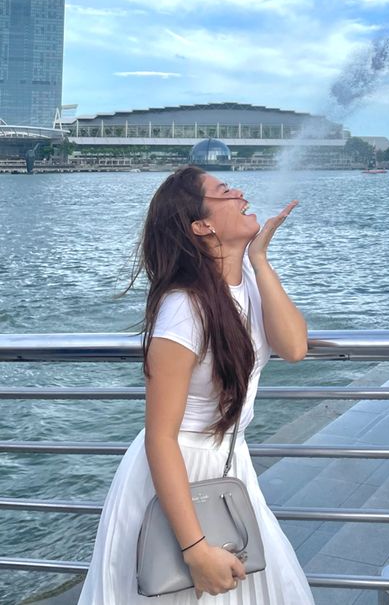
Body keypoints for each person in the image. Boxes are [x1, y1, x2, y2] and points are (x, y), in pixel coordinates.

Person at [79, 165, 314, 603]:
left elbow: (295, 347)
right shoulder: (184, 309)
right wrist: (194, 548)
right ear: (202, 225)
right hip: (179, 476)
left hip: (229, 466)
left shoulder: (245, 282)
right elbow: (161, 436)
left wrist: (260, 259)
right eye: (225, 191)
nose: (241, 191)